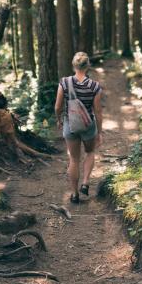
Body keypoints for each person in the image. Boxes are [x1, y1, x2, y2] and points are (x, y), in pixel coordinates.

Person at [55, 52, 103, 203]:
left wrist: (59, 119)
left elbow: (57, 106)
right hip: (88, 125)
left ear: (73, 65)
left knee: (74, 159)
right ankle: (86, 182)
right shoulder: (94, 86)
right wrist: (99, 132)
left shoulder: (64, 82)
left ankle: (75, 194)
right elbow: (98, 111)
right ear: (88, 65)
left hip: (70, 125)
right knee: (89, 152)